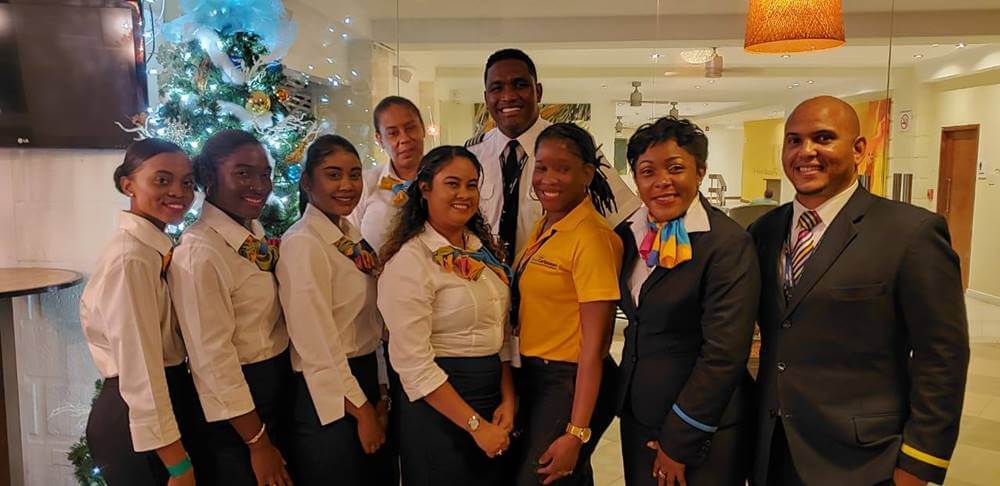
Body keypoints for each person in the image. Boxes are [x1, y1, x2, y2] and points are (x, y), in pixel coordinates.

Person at [749, 96, 970, 486]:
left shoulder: (910, 233)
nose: (806, 152)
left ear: (859, 150)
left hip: (865, 459)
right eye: (794, 140)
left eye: (823, 138)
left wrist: (921, 463)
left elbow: (943, 356)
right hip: (773, 450)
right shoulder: (764, 231)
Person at [614, 117, 758, 486]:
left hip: (700, 428)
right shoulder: (629, 234)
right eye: (647, 171)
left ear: (701, 172)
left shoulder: (726, 244)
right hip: (639, 413)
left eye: (675, 168)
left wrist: (679, 441)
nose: (661, 181)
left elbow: (724, 353)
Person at [378, 145, 515, 486]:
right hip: (438, 409)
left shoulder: (479, 250)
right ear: (424, 188)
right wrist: (475, 426)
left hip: (490, 400)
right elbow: (413, 364)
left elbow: (498, 330)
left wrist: (508, 399)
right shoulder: (410, 261)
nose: (464, 194)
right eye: (452, 184)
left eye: (472, 185)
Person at [169, 129, 293, 486]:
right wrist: (258, 443)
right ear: (209, 178)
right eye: (243, 173)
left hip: (275, 388)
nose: (259, 185)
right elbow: (214, 360)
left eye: (265, 174)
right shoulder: (200, 253)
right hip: (239, 415)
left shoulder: (252, 232)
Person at [81, 139, 206, 485]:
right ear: (128, 185)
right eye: (162, 180)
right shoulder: (131, 259)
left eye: (186, 182)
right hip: (135, 418)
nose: (178, 192)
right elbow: (140, 370)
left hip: (163, 403)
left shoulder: (154, 249)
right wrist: (179, 465)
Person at [275, 134, 392, 485]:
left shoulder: (349, 236)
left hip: (365, 376)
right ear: (307, 182)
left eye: (354, 174)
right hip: (330, 394)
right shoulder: (302, 243)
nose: (347, 185)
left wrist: (381, 391)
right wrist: (361, 411)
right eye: (333, 174)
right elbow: (316, 345)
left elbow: (372, 320)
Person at [510, 123, 621, 486]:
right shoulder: (546, 225)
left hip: (568, 380)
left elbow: (595, 347)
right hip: (534, 375)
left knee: (543, 474)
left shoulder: (592, 237)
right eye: (541, 167)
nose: (548, 178)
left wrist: (577, 431)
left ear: (587, 173)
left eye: (563, 168)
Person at [466, 48, 640, 263]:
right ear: (486, 97)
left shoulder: (574, 148)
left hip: (555, 287)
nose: (508, 96)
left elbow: (622, 219)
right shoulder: (472, 155)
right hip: (487, 286)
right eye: (497, 88)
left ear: (538, 92)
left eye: (520, 85)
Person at [351, 96, 427, 252]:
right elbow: (350, 238)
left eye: (410, 128)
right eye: (393, 133)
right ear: (380, 139)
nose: (404, 139)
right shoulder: (365, 183)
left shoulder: (442, 180)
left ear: (423, 128)